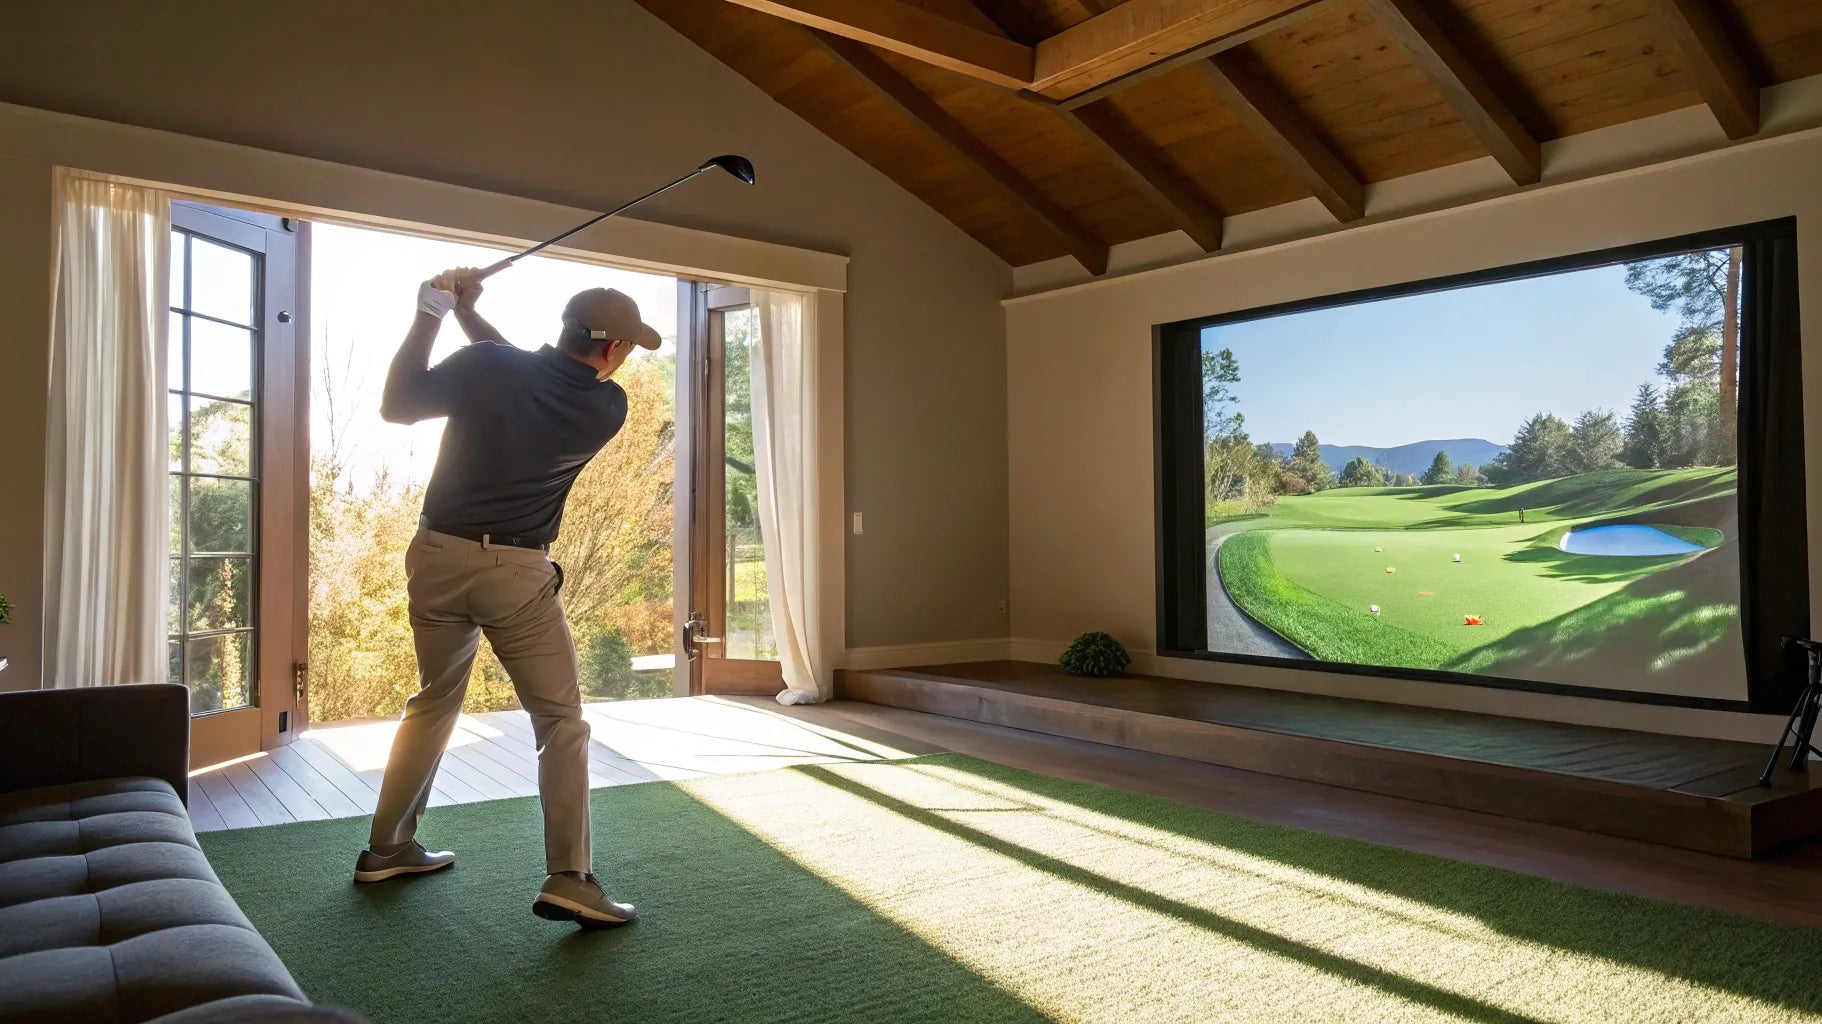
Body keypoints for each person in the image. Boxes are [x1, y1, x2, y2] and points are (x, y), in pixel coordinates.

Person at [351, 266, 660, 929]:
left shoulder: (490, 367)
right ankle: (570, 878)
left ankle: (387, 848)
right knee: (560, 721)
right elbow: (521, 373)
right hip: (515, 572)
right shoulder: (607, 406)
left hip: (434, 557)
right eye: (628, 346)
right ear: (610, 350)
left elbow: (403, 403)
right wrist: (464, 314)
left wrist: (435, 310)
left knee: (432, 702)